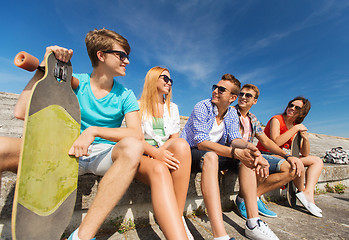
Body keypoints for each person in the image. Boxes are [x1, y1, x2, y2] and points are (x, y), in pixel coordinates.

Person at [0, 29, 144, 240]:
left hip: (102, 156)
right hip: (66, 153)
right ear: (101, 55)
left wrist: (92, 131)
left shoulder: (126, 95)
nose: (127, 61)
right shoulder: (76, 82)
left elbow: (136, 134)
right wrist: (45, 68)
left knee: (133, 147)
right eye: (121, 55)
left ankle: (82, 236)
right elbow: (21, 112)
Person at [181, 74, 279, 240]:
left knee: (246, 159)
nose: (215, 91)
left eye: (221, 89)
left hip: (213, 153)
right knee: (211, 156)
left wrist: (252, 149)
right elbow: (201, 143)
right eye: (215, 87)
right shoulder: (202, 107)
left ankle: (253, 223)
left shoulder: (232, 114)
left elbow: (234, 138)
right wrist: (234, 153)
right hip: (190, 153)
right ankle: (220, 235)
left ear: (232, 97)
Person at [137, 66, 192, 239]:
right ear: (153, 79)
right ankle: (174, 223)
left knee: (182, 145)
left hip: (163, 152)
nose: (169, 83)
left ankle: (177, 216)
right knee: (167, 157)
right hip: (143, 154)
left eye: (171, 81)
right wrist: (155, 153)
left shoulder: (173, 108)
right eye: (165, 79)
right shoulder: (137, 106)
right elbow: (135, 139)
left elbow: (174, 139)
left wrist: (161, 152)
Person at [234, 84, 304, 219]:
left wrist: (288, 156)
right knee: (258, 163)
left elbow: (266, 141)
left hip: (248, 154)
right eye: (241, 94)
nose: (243, 97)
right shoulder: (230, 113)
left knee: (291, 169)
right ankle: (244, 200)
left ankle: (253, 197)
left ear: (255, 101)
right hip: (232, 154)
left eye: (248, 95)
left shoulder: (253, 119)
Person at [257, 96, 324, 218]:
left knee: (317, 161)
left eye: (297, 107)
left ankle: (307, 193)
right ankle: (303, 193)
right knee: (297, 162)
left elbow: (305, 153)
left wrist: (305, 138)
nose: (292, 108)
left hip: (284, 156)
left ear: (302, 112)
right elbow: (275, 142)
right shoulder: (277, 119)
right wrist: (295, 128)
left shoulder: (295, 125)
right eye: (290, 105)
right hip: (267, 154)